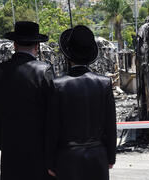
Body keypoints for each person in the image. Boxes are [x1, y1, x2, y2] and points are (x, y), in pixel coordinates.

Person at [46, 25, 117, 180]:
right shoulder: (104, 83)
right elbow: (110, 125)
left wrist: (50, 162)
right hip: (97, 157)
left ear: (67, 55)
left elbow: (52, 128)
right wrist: (110, 156)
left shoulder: (57, 85)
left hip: (67, 158)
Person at [0, 21, 54, 180]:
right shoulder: (44, 71)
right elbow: (53, 113)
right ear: (37, 46)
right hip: (40, 154)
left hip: (11, 153)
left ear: (14, 44)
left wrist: (2, 142)